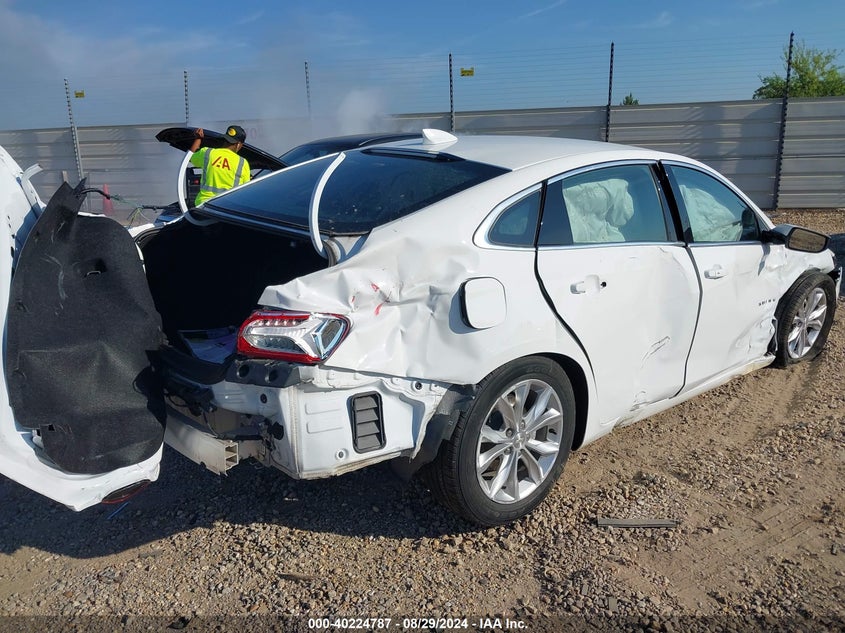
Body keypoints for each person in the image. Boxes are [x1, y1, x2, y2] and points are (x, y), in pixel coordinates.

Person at [188, 125, 251, 206]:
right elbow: (246, 191)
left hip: (203, 205)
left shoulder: (207, 153)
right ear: (239, 144)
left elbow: (190, 157)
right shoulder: (243, 163)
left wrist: (198, 139)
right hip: (226, 207)